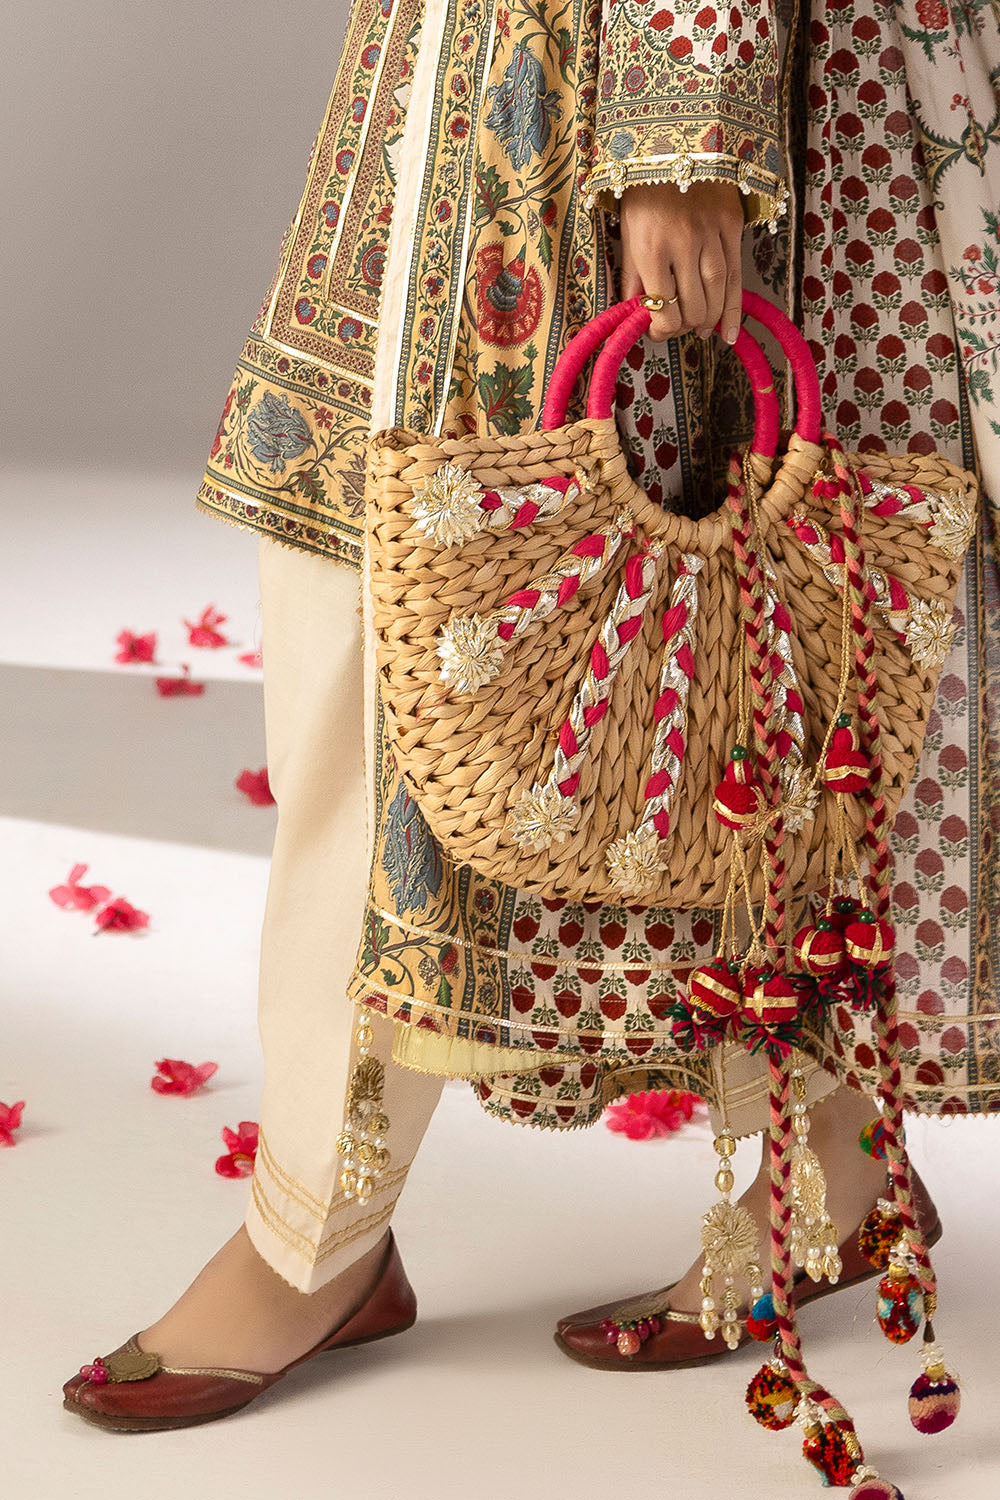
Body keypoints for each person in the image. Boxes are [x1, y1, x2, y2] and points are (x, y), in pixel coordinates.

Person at [64, 1, 998, 1484]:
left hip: (634, 69)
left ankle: (331, 1234)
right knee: (423, 604)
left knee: (754, 634)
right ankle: (351, 1218)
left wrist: (685, 138)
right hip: (465, 61)